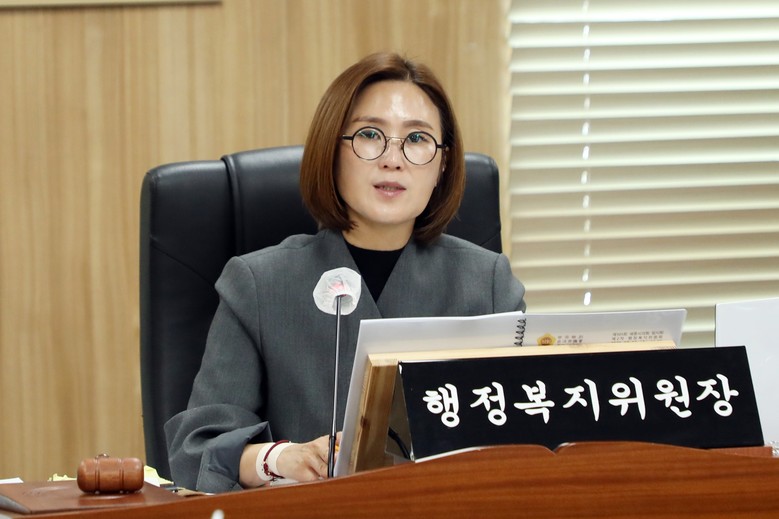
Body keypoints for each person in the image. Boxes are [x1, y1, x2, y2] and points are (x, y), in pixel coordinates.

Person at [164, 52, 526, 493]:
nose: (393, 159)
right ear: (331, 152)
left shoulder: (487, 283)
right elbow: (198, 451)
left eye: (417, 139)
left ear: (442, 165)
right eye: (370, 135)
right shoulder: (258, 285)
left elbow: (527, 441)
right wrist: (279, 459)